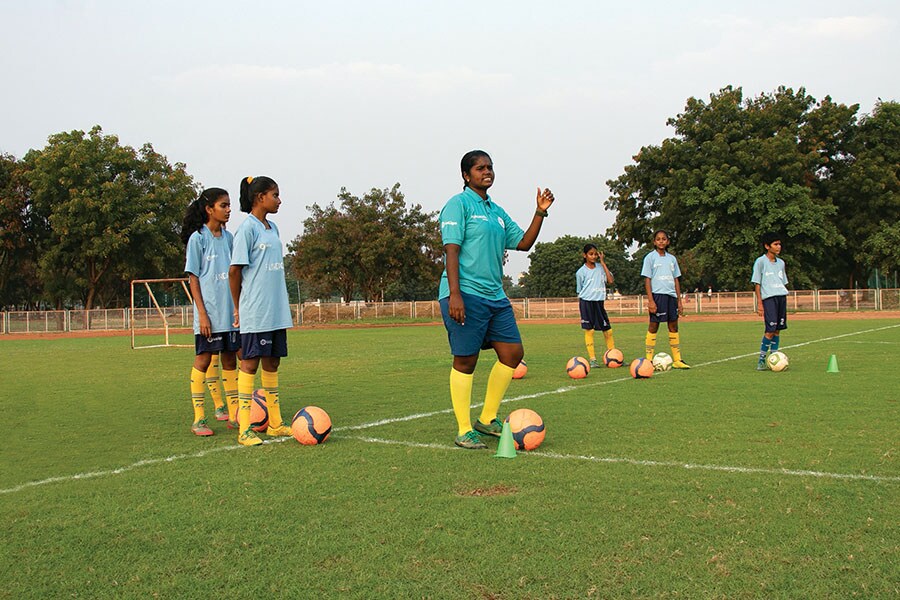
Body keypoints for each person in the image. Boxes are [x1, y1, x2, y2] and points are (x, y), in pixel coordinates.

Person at [440, 150, 554, 449]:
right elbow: (451, 250)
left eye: (489, 167)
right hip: (465, 293)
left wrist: (540, 211)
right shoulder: (458, 205)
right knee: (466, 359)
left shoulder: (496, 211)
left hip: (495, 295)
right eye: (480, 168)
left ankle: (487, 418)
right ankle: (464, 429)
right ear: (467, 175)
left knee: (513, 354)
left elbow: (524, 243)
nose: (486, 172)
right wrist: (455, 295)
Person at [229, 176, 294, 446]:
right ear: (260, 197)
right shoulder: (247, 229)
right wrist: (237, 307)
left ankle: (275, 424)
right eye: (275, 195)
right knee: (250, 363)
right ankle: (244, 429)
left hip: (276, 309)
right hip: (256, 309)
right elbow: (235, 271)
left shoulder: (273, 228)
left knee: (273, 362)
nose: (279, 200)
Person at [181, 188, 241, 436]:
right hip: (210, 315)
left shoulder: (229, 238)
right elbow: (193, 278)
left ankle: (236, 415)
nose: (228, 210)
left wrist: (238, 308)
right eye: (224, 205)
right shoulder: (198, 238)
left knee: (230, 360)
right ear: (209, 209)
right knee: (204, 360)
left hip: (229, 315)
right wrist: (202, 314)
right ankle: (198, 419)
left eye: (229, 206)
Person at [641, 229, 690, 368]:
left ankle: (677, 360)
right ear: (654, 242)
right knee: (654, 325)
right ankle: (648, 360)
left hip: (671, 296)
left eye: (664, 239)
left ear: (668, 241)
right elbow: (647, 280)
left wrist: (679, 301)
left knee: (673, 325)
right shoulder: (650, 258)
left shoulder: (672, 259)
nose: (661, 241)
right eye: (658, 239)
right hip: (657, 295)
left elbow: (676, 280)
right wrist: (651, 300)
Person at [751, 232, 789, 370]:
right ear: (767, 246)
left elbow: (783, 282)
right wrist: (760, 303)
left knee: (778, 330)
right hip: (769, 298)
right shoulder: (760, 262)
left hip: (781, 297)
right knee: (770, 330)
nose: (779, 247)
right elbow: (757, 284)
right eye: (775, 244)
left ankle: (774, 356)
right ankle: (761, 359)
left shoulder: (781, 263)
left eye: (779, 244)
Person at [575, 243, 615, 368]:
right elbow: (579, 289)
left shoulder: (600, 268)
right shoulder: (581, 272)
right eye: (590, 254)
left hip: (599, 302)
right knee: (590, 330)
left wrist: (603, 263)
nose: (593, 257)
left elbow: (611, 281)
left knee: (607, 330)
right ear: (585, 255)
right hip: (586, 302)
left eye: (595, 254)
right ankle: (592, 359)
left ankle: (613, 356)